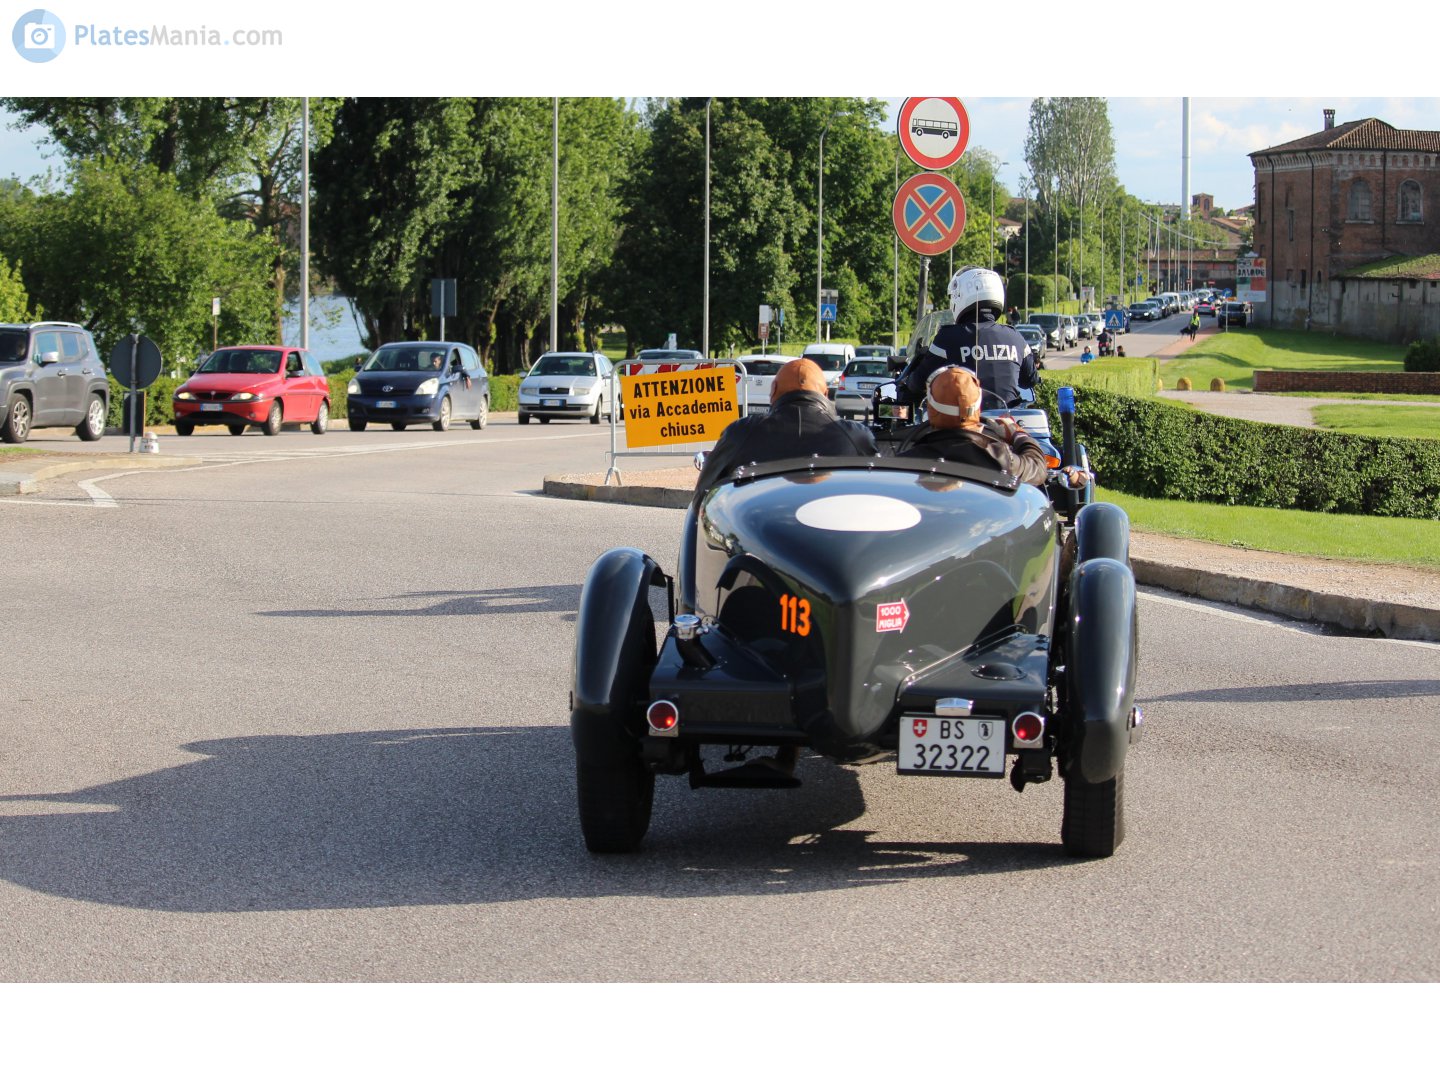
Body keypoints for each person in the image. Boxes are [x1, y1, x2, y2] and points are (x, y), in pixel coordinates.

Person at [692, 357, 878, 501]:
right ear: (825, 394)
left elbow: (703, 494)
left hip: (759, 539)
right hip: (837, 540)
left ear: (773, 391)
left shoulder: (742, 433)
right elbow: (876, 495)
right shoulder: (856, 436)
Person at [897, 266, 1037, 410]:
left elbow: (919, 381)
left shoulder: (948, 337)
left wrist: (908, 380)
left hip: (965, 421)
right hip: (1005, 422)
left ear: (960, 296)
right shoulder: (1015, 337)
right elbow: (1030, 380)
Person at [898, 366, 1056, 488]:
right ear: (977, 408)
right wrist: (1018, 434)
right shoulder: (1000, 457)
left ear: (931, 410)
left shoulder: (907, 462)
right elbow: (1037, 469)